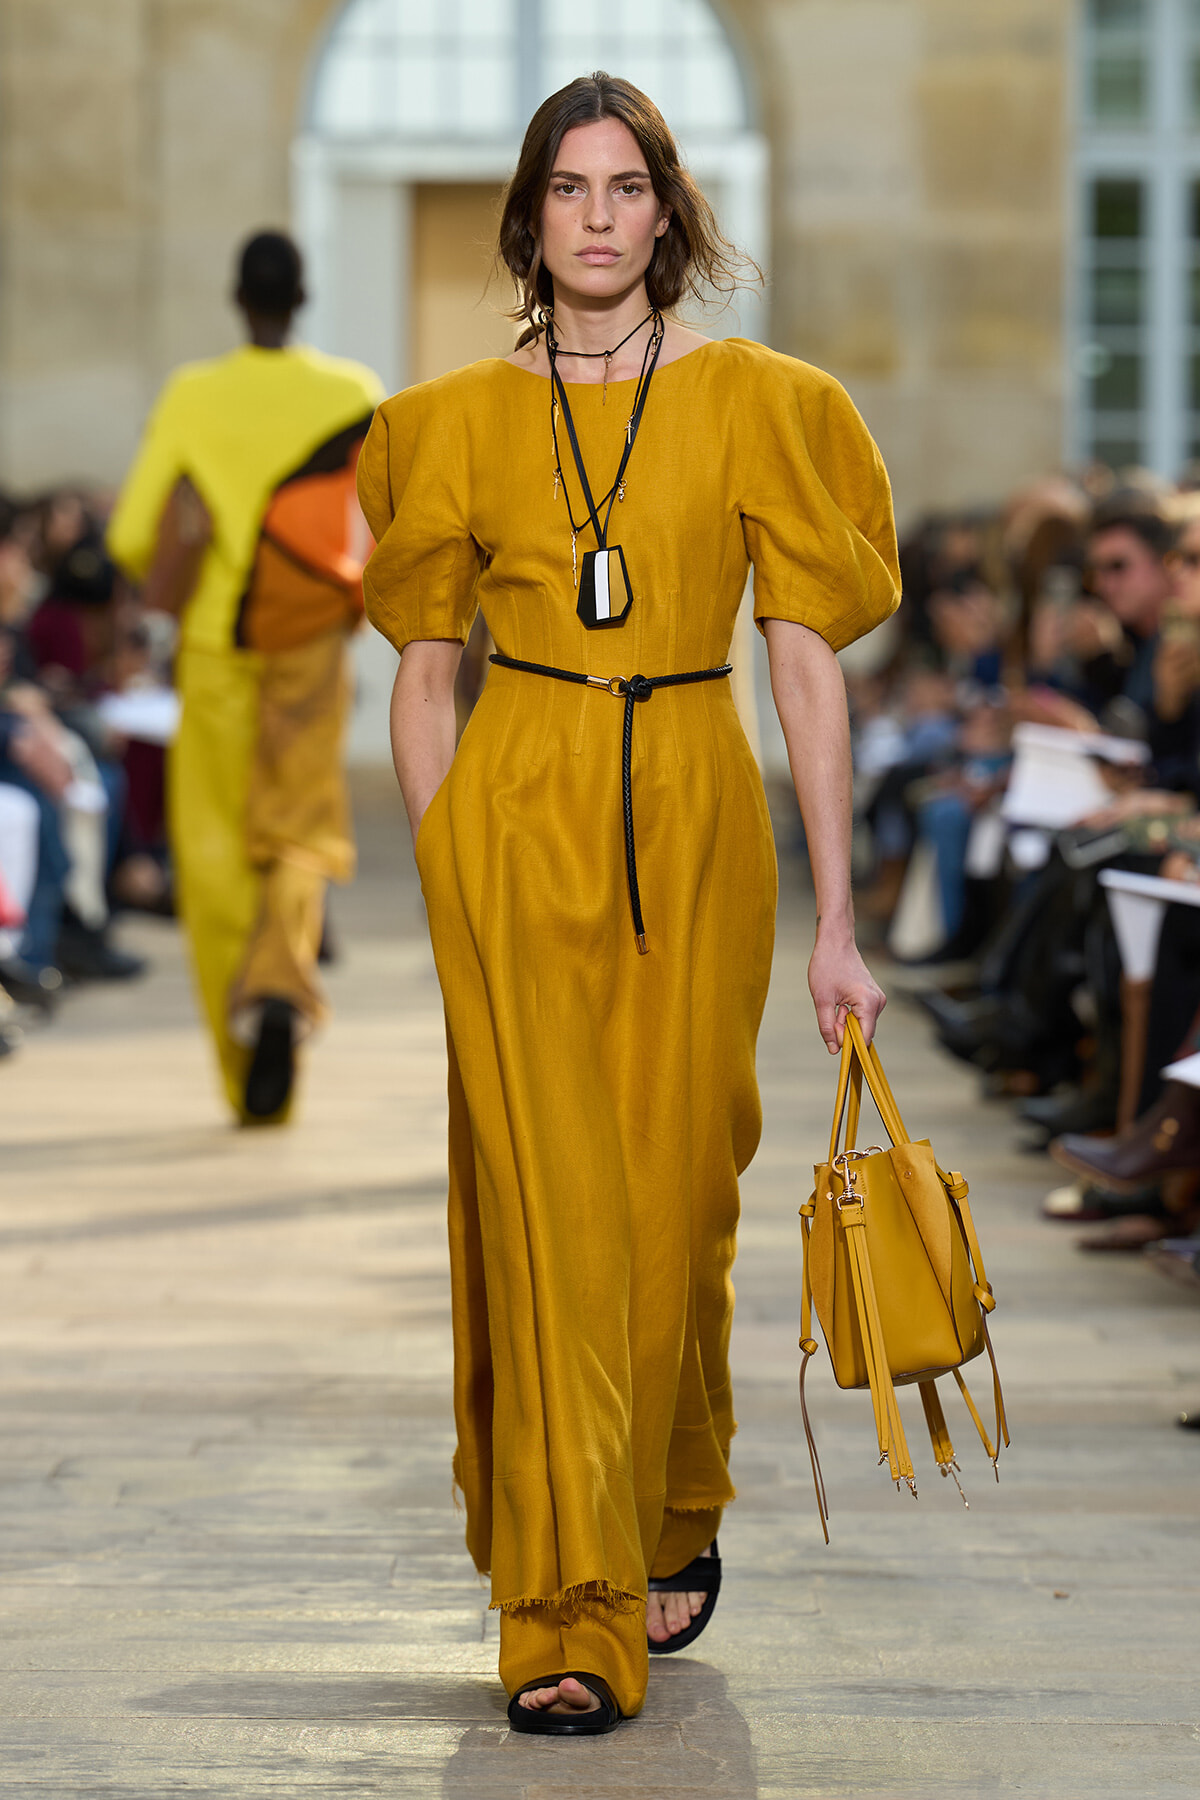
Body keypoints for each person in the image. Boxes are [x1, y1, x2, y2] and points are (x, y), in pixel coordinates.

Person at [358, 73, 899, 1736]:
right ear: (528, 219)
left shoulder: (763, 403)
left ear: (670, 213)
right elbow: (425, 675)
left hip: (693, 801)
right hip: (515, 820)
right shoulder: (445, 425)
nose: (598, 215)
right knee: (548, 1217)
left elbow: (802, 665)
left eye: (628, 185)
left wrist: (837, 914)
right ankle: (567, 1611)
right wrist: (450, 865)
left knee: (677, 1198)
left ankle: (671, 1498)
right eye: (569, 188)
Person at [107, 233, 383, 1122]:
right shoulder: (353, 393)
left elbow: (129, 536)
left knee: (216, 849)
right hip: (308, 641)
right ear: (303, 299)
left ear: (239, 299)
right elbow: (389, 520)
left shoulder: (195, 394)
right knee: (301, 831)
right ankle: (281, 990)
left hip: (218, 647)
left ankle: (242, 1069)